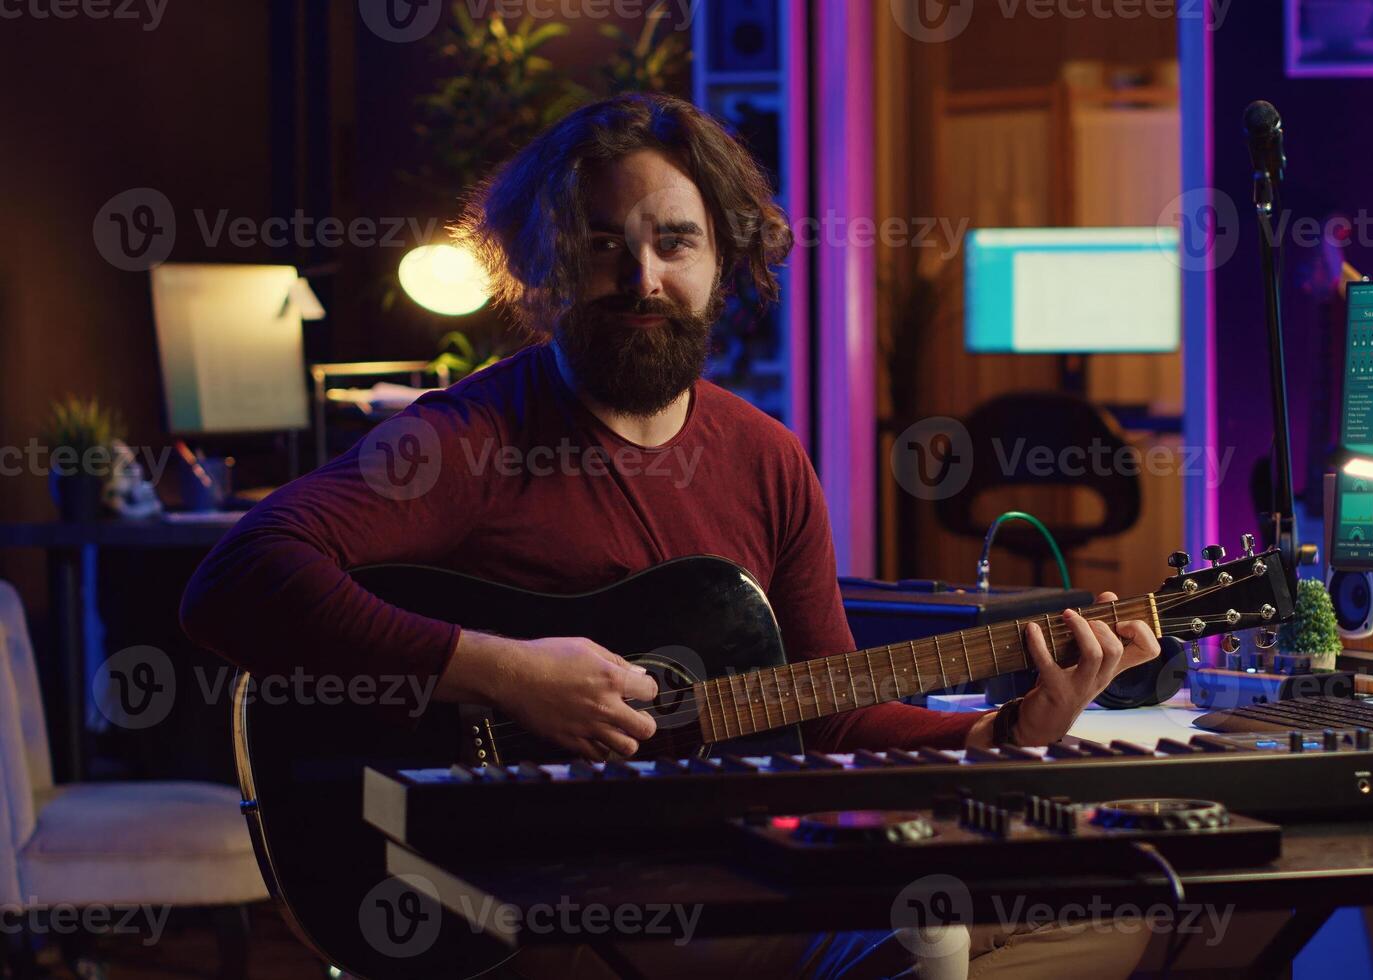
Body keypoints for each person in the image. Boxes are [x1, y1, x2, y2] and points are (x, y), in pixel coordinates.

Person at [181, 92, 1158, 978]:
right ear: (544, 263)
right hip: (507, 896)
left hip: (723, 872)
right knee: (933, 936)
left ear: (722, 259)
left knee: (1117, 904)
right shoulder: (465, 437)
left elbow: (829, 718)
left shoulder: (767, 457)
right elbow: (238, 577)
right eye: (602, 242)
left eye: (674, 241)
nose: (640, 277)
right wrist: (500, 672)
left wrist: (1002, 731)